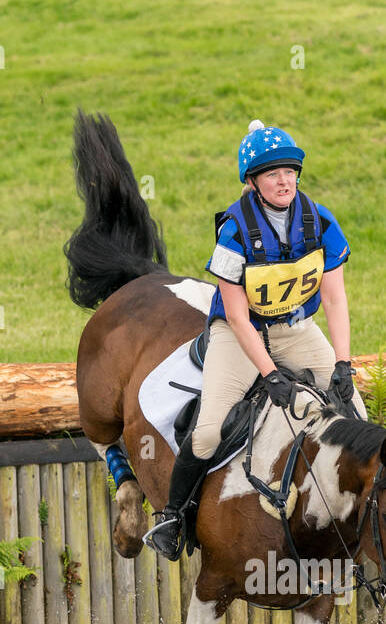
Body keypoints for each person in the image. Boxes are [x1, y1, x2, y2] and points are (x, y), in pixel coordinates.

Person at [145, 119, 366, 558]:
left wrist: (343, 364)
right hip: (240, 333)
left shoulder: (320, 222)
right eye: (271, 174)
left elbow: (336, 300)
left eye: (289, 172)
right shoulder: (234, 232)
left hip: (297, 328)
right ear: (252, 181)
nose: (283, 181)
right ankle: (173, 516)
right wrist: (270, 375)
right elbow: (238, 316)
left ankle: (360, 513)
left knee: (357, 417)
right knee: (208, 434)